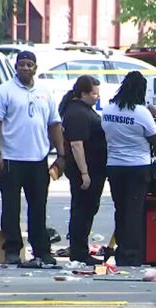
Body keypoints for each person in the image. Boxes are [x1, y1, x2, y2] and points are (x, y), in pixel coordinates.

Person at [0, 51, 66, 266]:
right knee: (11, 208)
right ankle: (12, 249)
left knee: (38, 207)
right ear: (16, 67)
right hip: (11, 158)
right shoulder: (5, 91)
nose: (25, 68)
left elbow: (54, 124)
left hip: (38, 159)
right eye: (21, 64)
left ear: (35, 68)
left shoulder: (44, 92)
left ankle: (41, 250)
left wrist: (61, 154)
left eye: (29, 64)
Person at [101, 71, 156, 267]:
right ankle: (132, 254)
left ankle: (121, 252)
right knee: (134, 211)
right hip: (138, 167)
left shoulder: (109, 109)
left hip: (115, 167)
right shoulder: (141, 112)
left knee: (121, 210)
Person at [59, 75, 107, 265]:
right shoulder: (77, 113)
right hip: (86, 170)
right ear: (83, 93)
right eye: (94, 94)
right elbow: (76, 145)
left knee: (86, 209)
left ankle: (79, 248)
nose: (97, 97)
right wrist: (85, 173)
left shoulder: (83, 110)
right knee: (83, 210)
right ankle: (79, 251)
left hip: (93, 168)